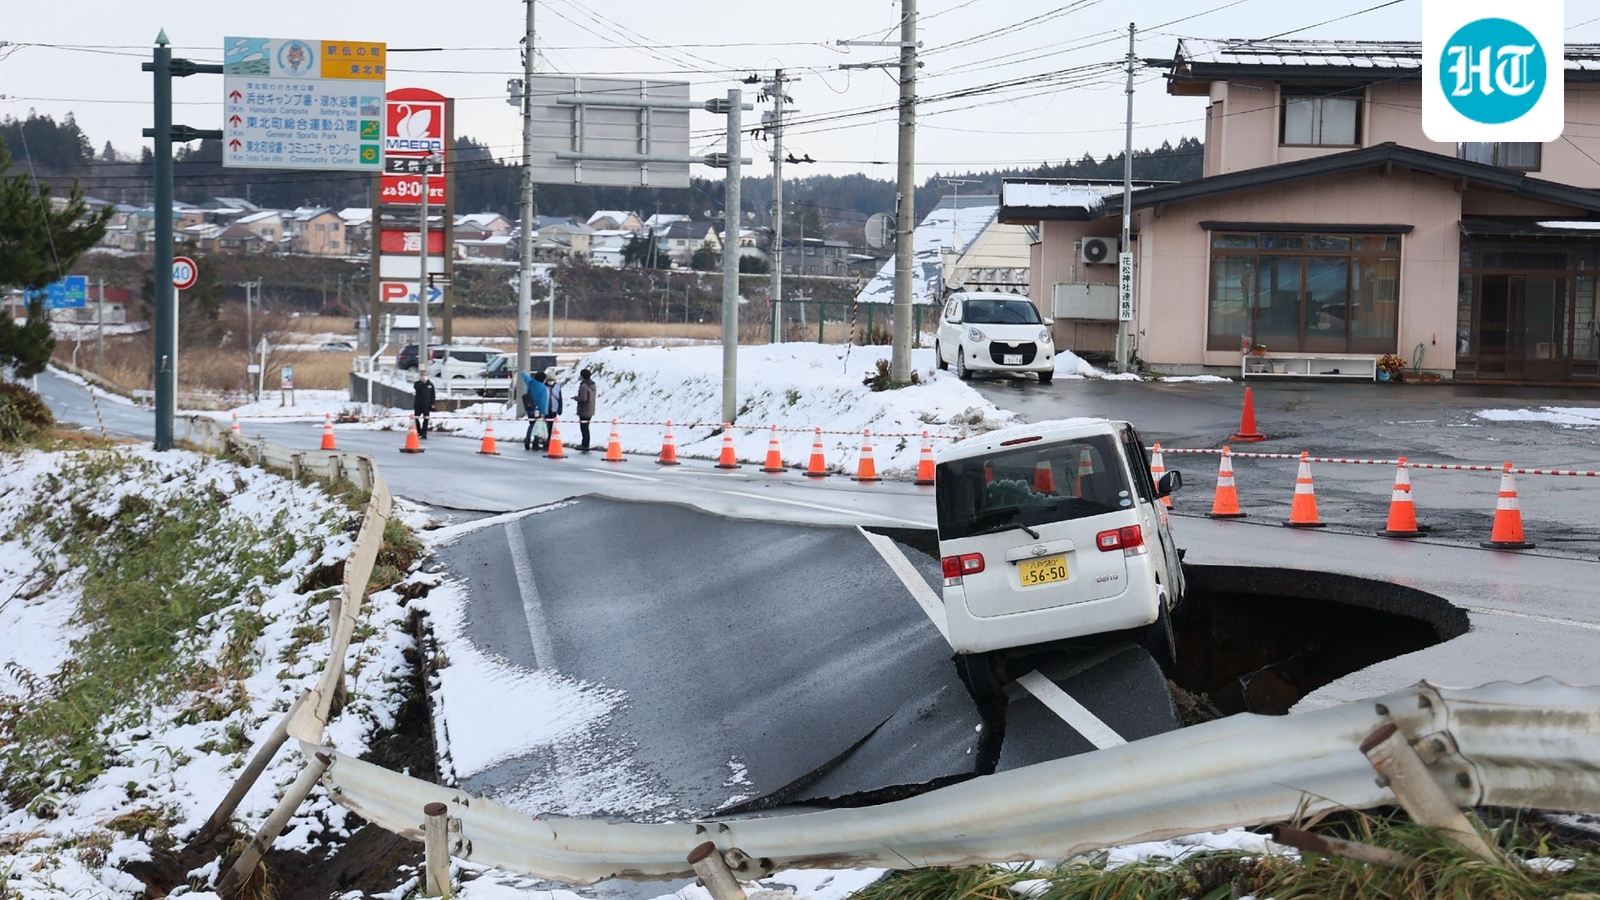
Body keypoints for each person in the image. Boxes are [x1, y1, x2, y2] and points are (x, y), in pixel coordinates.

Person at [521, 369, 549, 450]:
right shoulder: (542, 388)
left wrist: (523, 372)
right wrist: (543, 412)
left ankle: (527, 440)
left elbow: (525, 377)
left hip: (529, 408)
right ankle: (535, 443)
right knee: (538, 426)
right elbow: (542, 401)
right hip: (537, 410)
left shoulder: (531, 383)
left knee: (531, 424)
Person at [575, 368, 597, 451]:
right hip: (590, 409)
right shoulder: (592, 385)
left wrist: (576, 398)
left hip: (584, 409)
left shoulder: (584, 386)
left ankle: (585, 443)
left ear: (582, 376)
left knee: (584, 427)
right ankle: (586, 442)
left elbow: (583, 398)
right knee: (586, 427)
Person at [413, 372, 436, 439]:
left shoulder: (430, 385)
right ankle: (419, 432)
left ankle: (424, 433)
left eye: (426, 375)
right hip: (418, 405)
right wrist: (422, 382)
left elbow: (433, 395)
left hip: (427, 405)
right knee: (416, 419)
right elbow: (417, 388)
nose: (424, 377)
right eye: (423, 375)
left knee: (426, 419)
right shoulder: (417, 383)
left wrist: (432, 403)